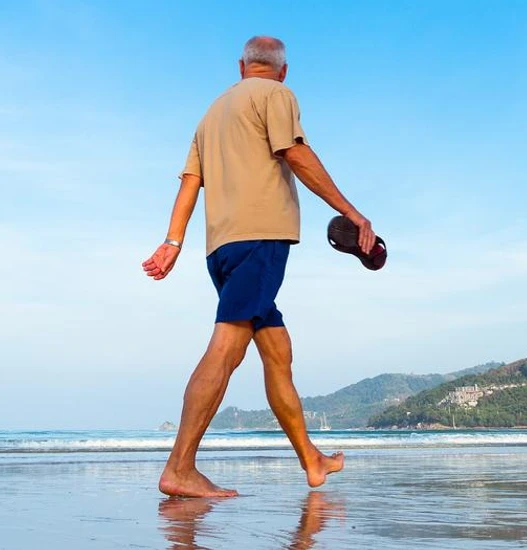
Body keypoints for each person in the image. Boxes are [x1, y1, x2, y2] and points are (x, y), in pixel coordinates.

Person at [142, 36, 377, 498]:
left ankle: (311, 459)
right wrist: (353, 213)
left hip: (220, 249)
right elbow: (295, 154)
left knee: (276, 351)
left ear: (242, 66)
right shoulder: (278, 96)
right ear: (283, 70)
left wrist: (173, 241)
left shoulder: (210, 115)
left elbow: (191, 184)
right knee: (227, 348)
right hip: (260, 239)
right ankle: (179, 468)